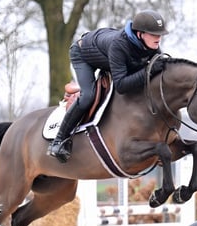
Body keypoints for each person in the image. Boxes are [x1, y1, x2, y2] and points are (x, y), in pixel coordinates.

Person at [47, 9, 170, 162]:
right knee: (88, 96)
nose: (158, 38)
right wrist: (147, 72)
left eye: (160, 35)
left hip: (103, 51)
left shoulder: (151, 45)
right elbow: (121, 85)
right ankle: (58, 140)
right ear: (140, 34)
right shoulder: (119, 46)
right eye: (154, 34)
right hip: (82, 54)